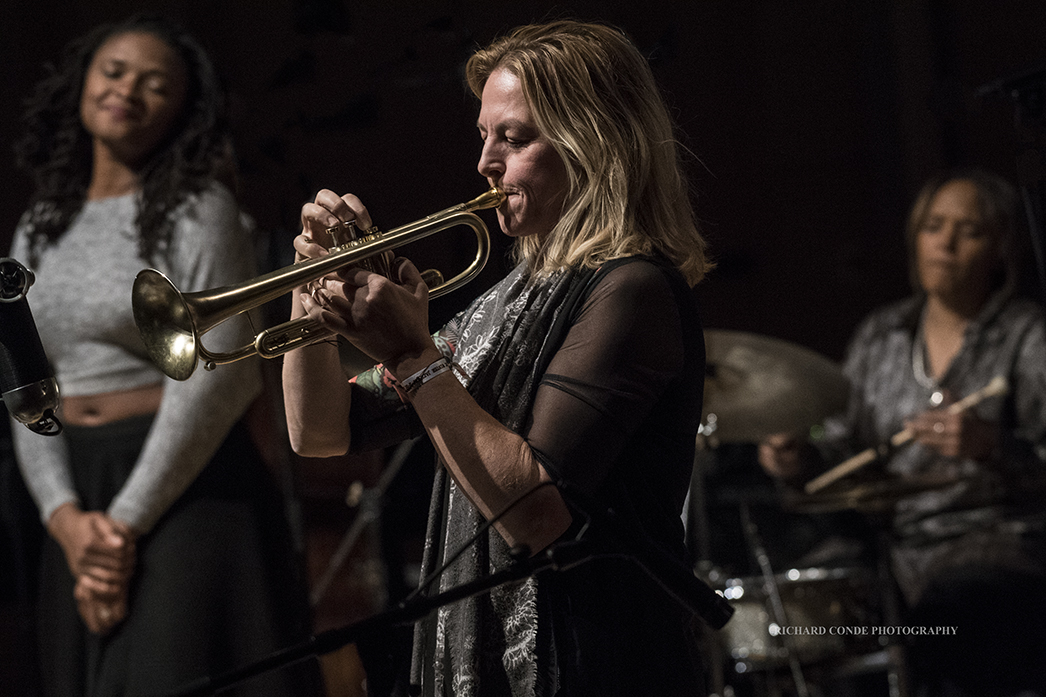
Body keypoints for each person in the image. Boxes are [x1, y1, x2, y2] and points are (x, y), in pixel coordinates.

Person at [283, 19, 713, 697]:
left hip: (596, 663)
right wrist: (311, 297)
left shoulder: (633, 289)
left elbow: (537, 514)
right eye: (484, 136)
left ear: (594, 144)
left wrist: (411, 351)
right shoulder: (504, 302)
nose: (486, 162)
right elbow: (321, 430)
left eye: (513, 139)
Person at [7, 15, 320, 696]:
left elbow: (223, 381)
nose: (128, 91)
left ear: (184, 109)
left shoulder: (197, 209)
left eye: (156, 85)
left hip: (187, 481)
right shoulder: (39, 224)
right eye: (114, 71)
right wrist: (65, 519)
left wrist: (120, 528)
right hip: (77, 488)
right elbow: (22, 382)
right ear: (84, 79)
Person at [758, 168, 1046, 696]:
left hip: (992, 539)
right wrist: (798, 459)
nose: (946, 243)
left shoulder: (1027, 336)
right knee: (787, 616)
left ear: (1000, 252)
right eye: (934, 226)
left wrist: (993, 447)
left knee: (950, 611)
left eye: (970, 231)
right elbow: (845, 447)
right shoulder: (882, 334)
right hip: (889, 542)